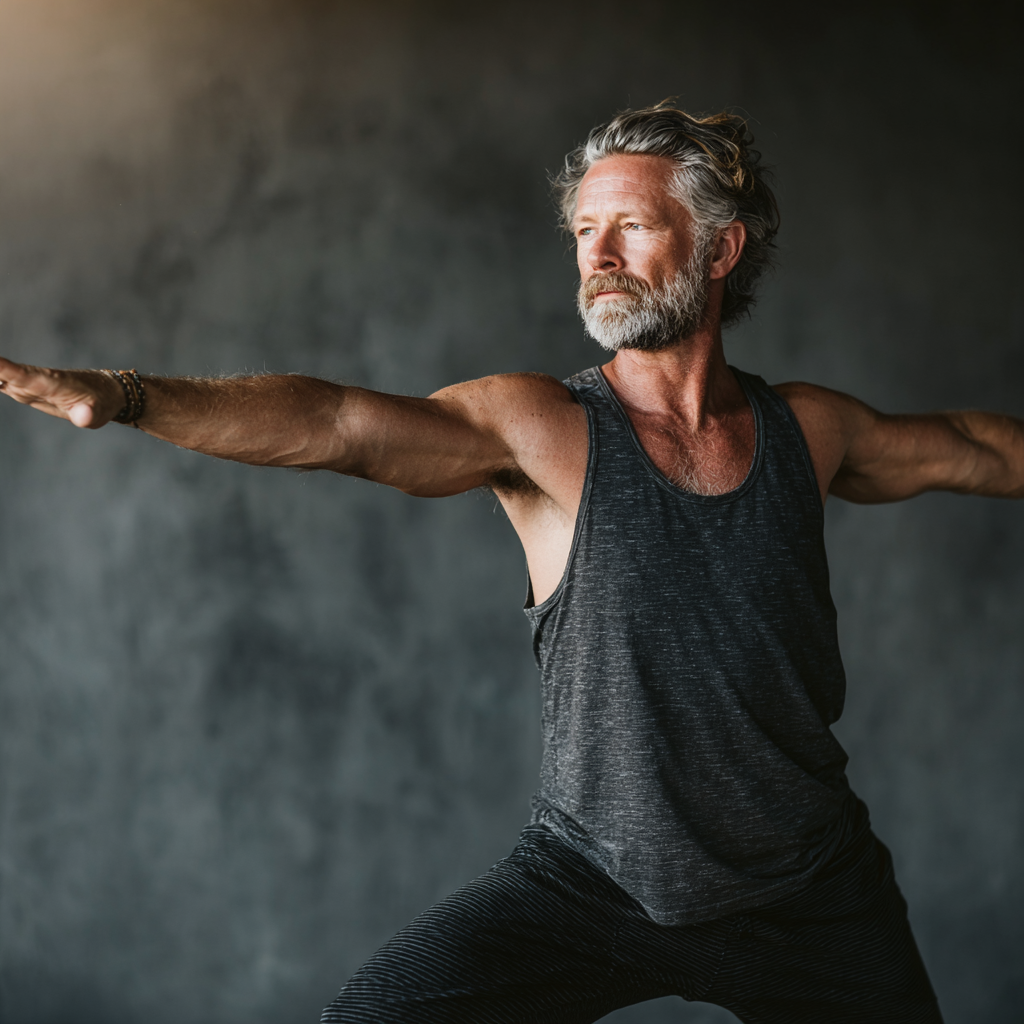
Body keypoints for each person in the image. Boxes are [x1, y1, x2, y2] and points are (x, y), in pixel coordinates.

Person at [1, 104, 1021, 1024]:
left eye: (629, 225)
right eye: (584, 230)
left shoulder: (811, 430)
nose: (598, 254)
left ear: (720, 249)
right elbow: (338, 422)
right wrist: (130, 395)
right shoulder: (542, 429)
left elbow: (977, 450)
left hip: (809, 890)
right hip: (591, 881)